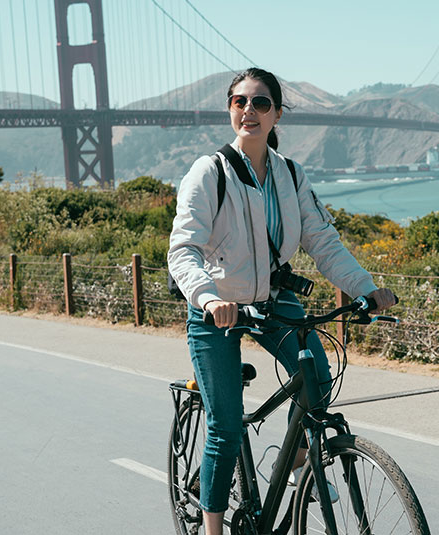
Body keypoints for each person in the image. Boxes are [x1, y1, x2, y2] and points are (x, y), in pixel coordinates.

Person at [168, 67, 395, 535]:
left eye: (260, 103)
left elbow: (324, 243)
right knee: (226, 428)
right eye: (239, 102)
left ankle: (297, 462)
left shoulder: (291, 175)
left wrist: (365, 289)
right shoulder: (209, 172)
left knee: (317, 373)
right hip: (216, 308)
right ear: (230, 109)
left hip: (272, 301)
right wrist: (209, 299)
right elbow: (183, 248)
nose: (248, 111)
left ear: (276, 114)